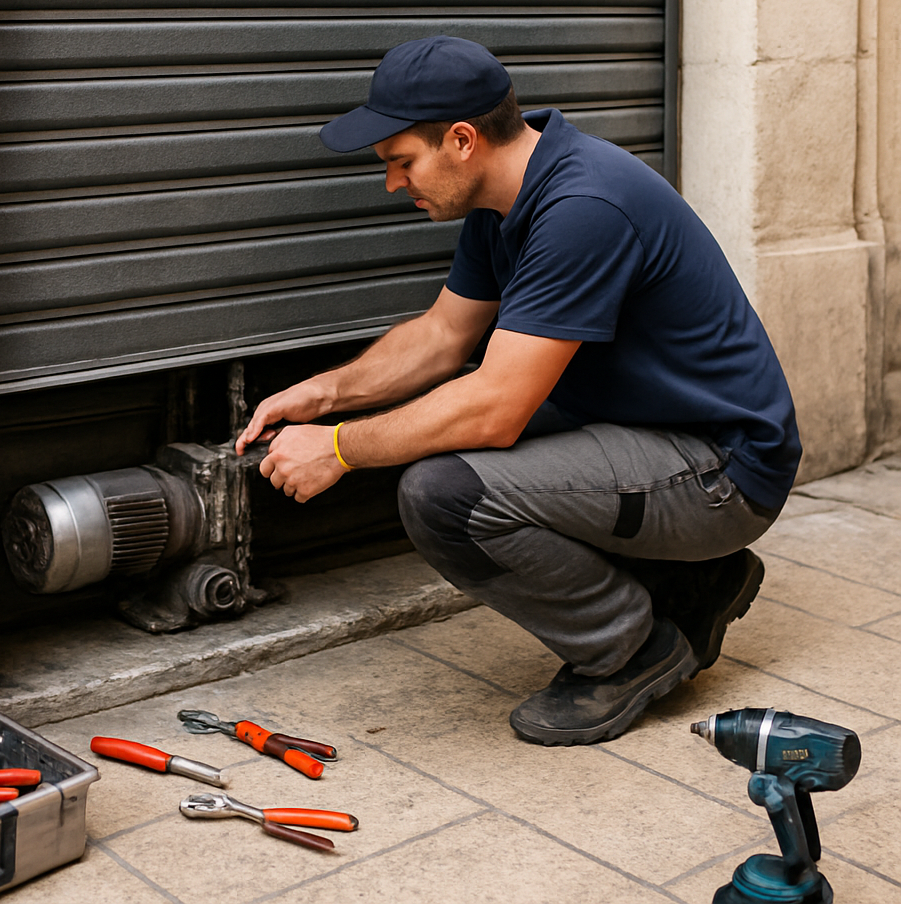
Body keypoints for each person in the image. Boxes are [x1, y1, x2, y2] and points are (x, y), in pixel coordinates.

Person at [235, 36, 800, 746]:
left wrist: (340, 449)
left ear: (462, 140)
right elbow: (443, 336)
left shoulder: (583, 206)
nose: (392, 184)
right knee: (440, 431)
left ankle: (630, 649)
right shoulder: (504, 201)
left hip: (722, 471)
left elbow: (497, 409)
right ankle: (691, 585)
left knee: (445, 493)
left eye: (401, 162)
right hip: (644, 429)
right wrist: (322, 396)